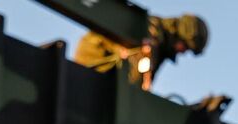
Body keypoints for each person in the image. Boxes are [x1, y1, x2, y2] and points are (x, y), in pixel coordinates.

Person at [73, 13, 209, 91]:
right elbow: (136, 78)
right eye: (185, 46)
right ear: (179, 35)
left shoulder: (162, 45)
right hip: (93, 65)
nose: (183, 52)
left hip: (101, 77)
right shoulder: (153, 33)